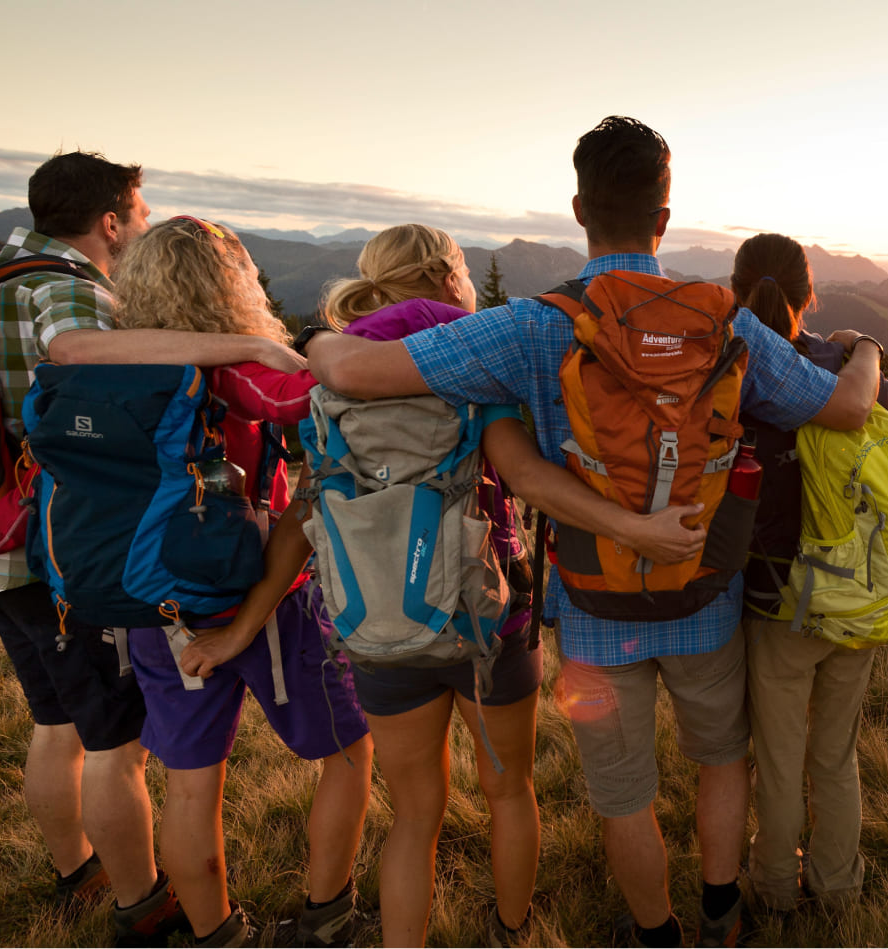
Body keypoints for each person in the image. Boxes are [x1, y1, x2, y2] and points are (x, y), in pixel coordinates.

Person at [302, 116, 885, 948]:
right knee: (722, 760)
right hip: (703, 590)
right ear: (665, 213)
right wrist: (865, 348)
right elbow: (850, 405)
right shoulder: (725, 321)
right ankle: (720, 919)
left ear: (579, 209)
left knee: (622, 794)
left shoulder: (535, 324)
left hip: (593, 606)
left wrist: (316, 338)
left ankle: (654, 932)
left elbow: (354, 371)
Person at [197, 222, 707, 948]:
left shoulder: (334, 377)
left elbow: (304, 514)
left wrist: (243, 626)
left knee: (414, 813)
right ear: (444, 277)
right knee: (509, 791)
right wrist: (638, 532)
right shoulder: (467, 365)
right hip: (485, 619)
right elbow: (528, 477)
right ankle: (509, 932)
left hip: (376, 623)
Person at [0, 152, 305, 946]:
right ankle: (143, 906)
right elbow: (74, 354)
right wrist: (247, 346)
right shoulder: (66, 289)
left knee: (56, 717)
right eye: (139, 213)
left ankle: (77, 870)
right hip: (70, 552)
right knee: (113, 741)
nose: (142, 226)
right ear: (110, 221)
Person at [100, 215, 375, 948]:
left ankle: (216, 933)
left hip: (152, 601)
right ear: (231, 284)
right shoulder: (236, 370)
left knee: (190, 781)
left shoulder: (113, 366)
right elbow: (317, 399)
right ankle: (326, 915)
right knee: (348, 751)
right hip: (262, 596)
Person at [729, 233, 888, 915]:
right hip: (854, 595)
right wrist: (863, 350)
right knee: (835, 754)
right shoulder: (833, 365)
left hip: (773, 601)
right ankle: (839, 885)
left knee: (779, 758)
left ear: (736, 292)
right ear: (808, 294)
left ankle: (772, 888)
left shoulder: (729, 368)